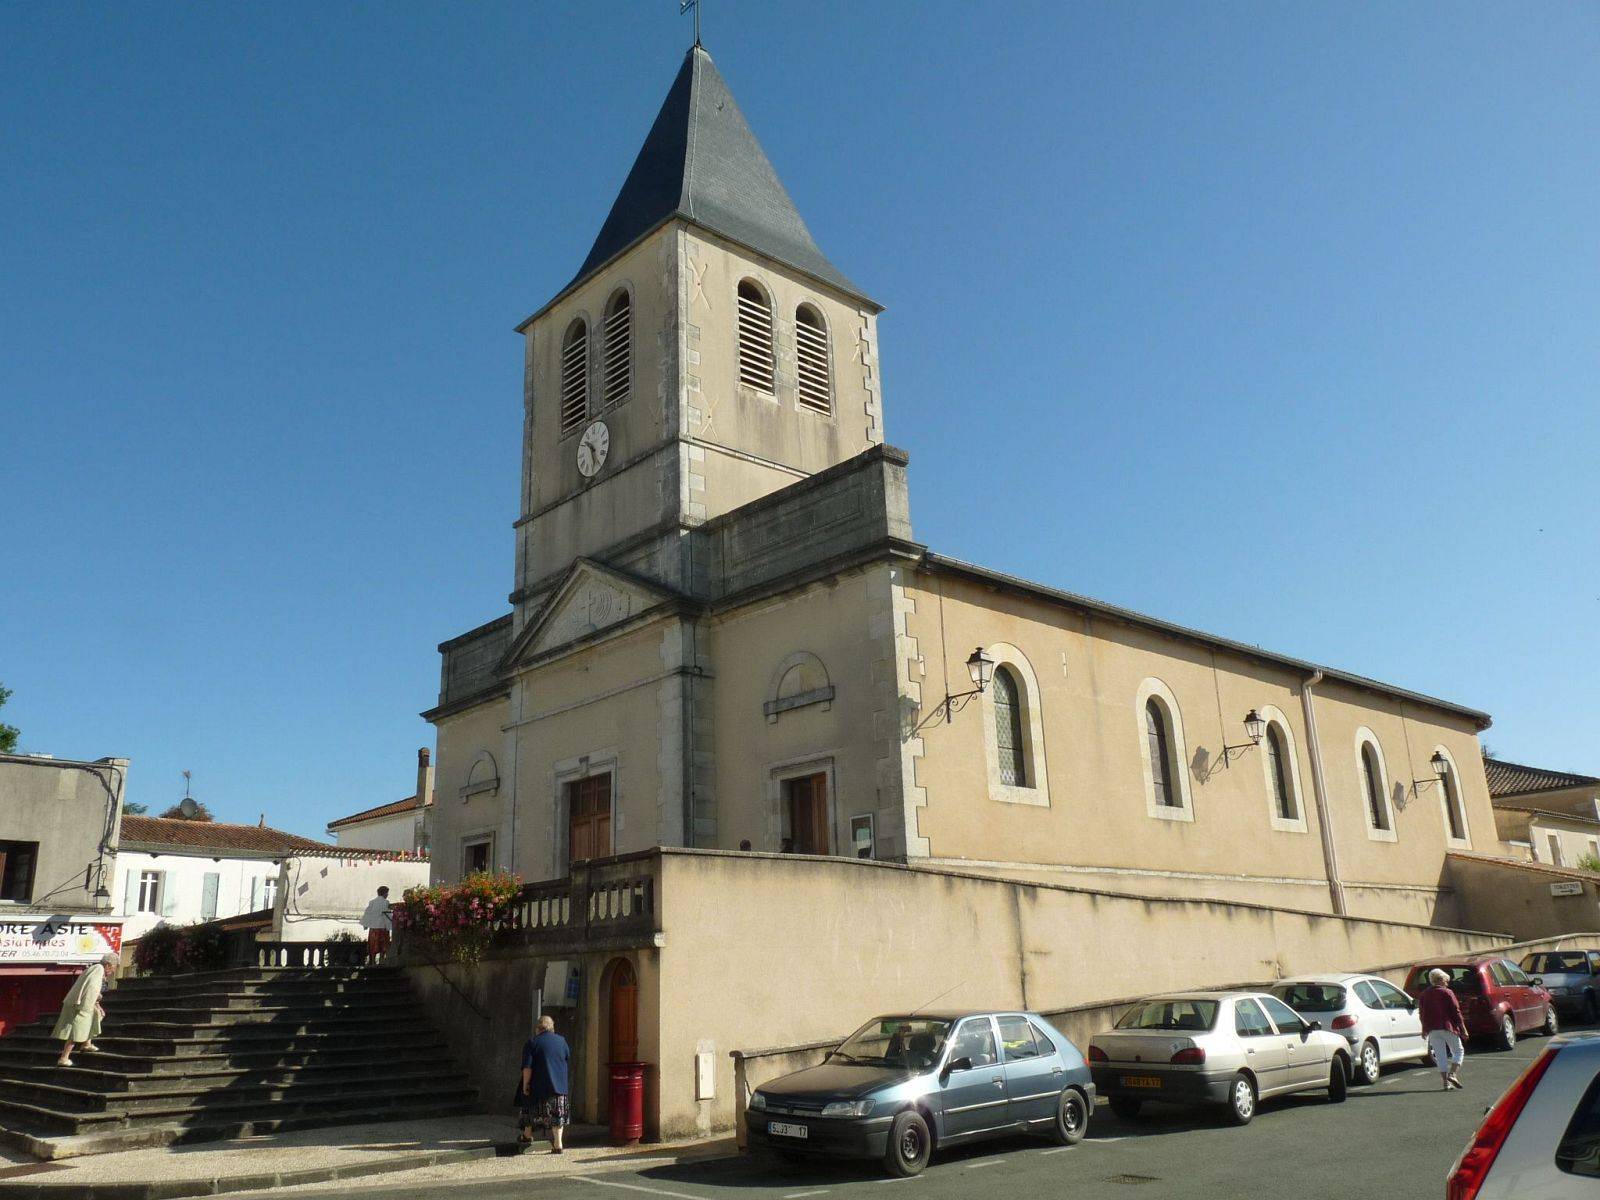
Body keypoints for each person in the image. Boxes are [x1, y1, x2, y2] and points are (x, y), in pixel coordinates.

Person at [517, 1014, 572, 1153]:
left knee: (529, 1109)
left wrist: (525, 1085)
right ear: (552, 1028)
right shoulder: (562, 1041)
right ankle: (558, 1144)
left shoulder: (532, 1043)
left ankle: (527, 1135)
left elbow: (527, 1067)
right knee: (557, 1115)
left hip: (538, 1086)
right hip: (558, 1086)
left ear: (538, 1028)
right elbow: (566, 1057)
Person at [53, 952, 119, 1067]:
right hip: (80, 1005)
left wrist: (97, 1006)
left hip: (81, 1003)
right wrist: (91, 1005)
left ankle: (86, 1043)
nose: (112, 972)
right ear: (108, 965)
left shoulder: (96, 969)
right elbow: (91, 989)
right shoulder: (98, 969)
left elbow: (91, 989)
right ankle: (64, 1058)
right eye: (113, 968)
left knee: (97, 1015)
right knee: (77, 1029)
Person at [1419, 967, 1467, 1090]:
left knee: (1440, 1056)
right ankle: (1453, 1074)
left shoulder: (1424, 994)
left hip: (1432, 1029)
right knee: (1458, 1051)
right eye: (1446, 981)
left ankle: (1446, 1083)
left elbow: (1422, 1013)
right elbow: (1456, 1011)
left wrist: (1424, 1029)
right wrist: (1463, 1028)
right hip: (1447, 1026)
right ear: (1440, 980)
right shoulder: (1447, 992)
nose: (1447, 984)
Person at [360, 886, 392, 962]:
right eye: (387, 893)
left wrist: (365, 925)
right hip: (383, 927)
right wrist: (391, 924)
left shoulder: (372, 902)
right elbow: (388, 915)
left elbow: (367, 914)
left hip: (373, 927)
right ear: (384, 893)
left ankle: (373, 961)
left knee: (373, 946)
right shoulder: (386, 902)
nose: (387, 895)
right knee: (383, 947)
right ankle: (381, 961)